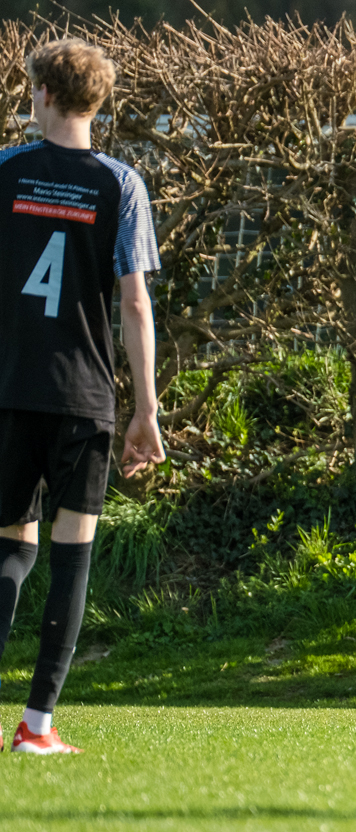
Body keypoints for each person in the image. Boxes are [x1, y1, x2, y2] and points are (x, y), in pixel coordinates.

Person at [0, 38, 162, 754]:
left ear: (42, 94)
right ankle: (37, 727)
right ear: (98, 102)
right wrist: (146, 410)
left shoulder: (6, 171)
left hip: (10, 390)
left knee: (11, 547)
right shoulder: (120, 184)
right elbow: (135, 303)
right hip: (84, 398)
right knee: (72, 554)